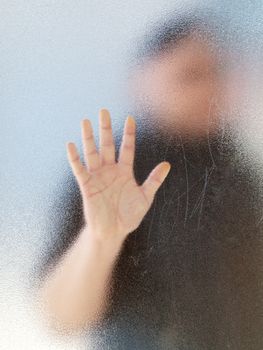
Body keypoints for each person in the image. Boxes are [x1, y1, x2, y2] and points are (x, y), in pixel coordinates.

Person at [31, 9, 263, 350]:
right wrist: (100, 240)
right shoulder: (116, 172)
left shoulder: (239, 174)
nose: (208, 89)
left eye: (217, 73)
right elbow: (59, 316)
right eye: (189, 76)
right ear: (143, 81)